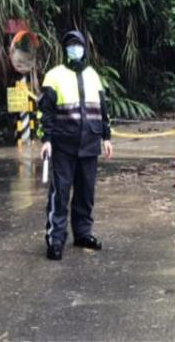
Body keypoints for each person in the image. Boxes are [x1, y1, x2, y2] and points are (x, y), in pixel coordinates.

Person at [38, 30, 113, 260]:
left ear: (84, 48)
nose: (75, 48)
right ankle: (56, 239)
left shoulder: (93, 76)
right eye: (70, 44)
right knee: (60, 193)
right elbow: (46, 112)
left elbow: (103, 108)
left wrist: (106, 137)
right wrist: (46, 140)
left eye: (78, 44)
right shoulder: (53, 76)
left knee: (85, 193)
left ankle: (83, 233)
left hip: (90, 143)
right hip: (63, 144)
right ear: (65, 49)